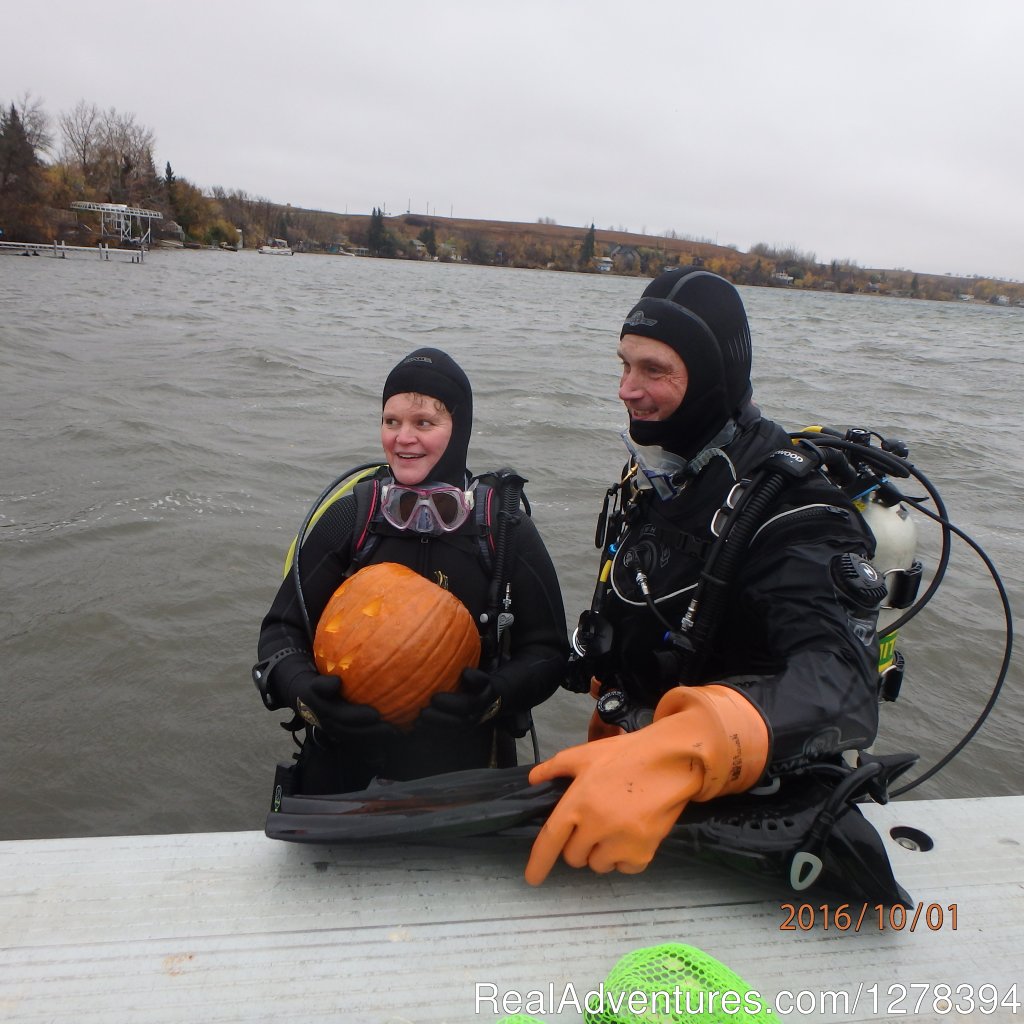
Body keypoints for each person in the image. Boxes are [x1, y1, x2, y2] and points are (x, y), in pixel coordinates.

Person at [525, 267, 885, 884]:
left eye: (654, 371)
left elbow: (843, 685)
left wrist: (686, 748)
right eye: (624, 364)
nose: (626, 389)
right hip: (618, 775)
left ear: (713, 380)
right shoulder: (670, 476)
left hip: (725, 811)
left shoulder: (794, 513)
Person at [254, 347, 568, 794]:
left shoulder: (503, 529)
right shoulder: (351, 519)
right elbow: (280, 630)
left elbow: (549, 652)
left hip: (465, 773)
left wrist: (490, 698)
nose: (403, 438)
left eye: (424, 422)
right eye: (391, 421)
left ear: (458, 429)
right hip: (344, 766)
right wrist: (307, 695)